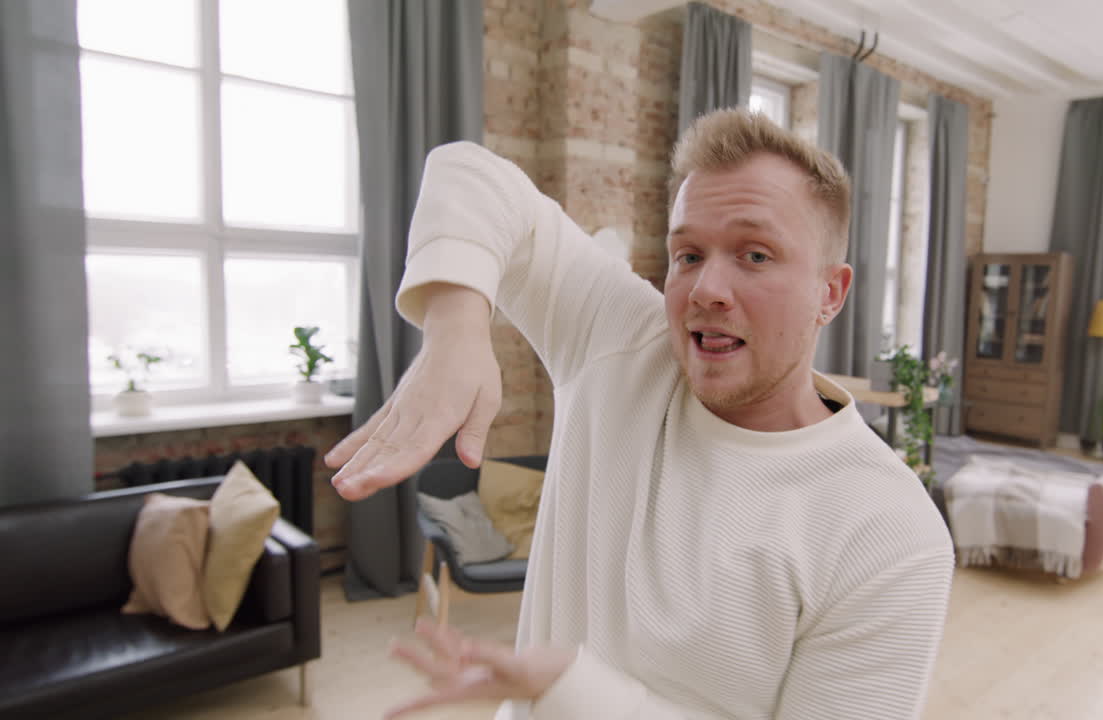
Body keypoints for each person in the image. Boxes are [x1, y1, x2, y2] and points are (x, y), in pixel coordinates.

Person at [325, 109, 954, 720]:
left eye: (755, 255)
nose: (706, 288)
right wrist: (455, 328)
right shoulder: (624, 341)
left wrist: (569, 691)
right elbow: (469, 173)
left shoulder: (890, 533)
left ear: (830, 292)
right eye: (687, 254)